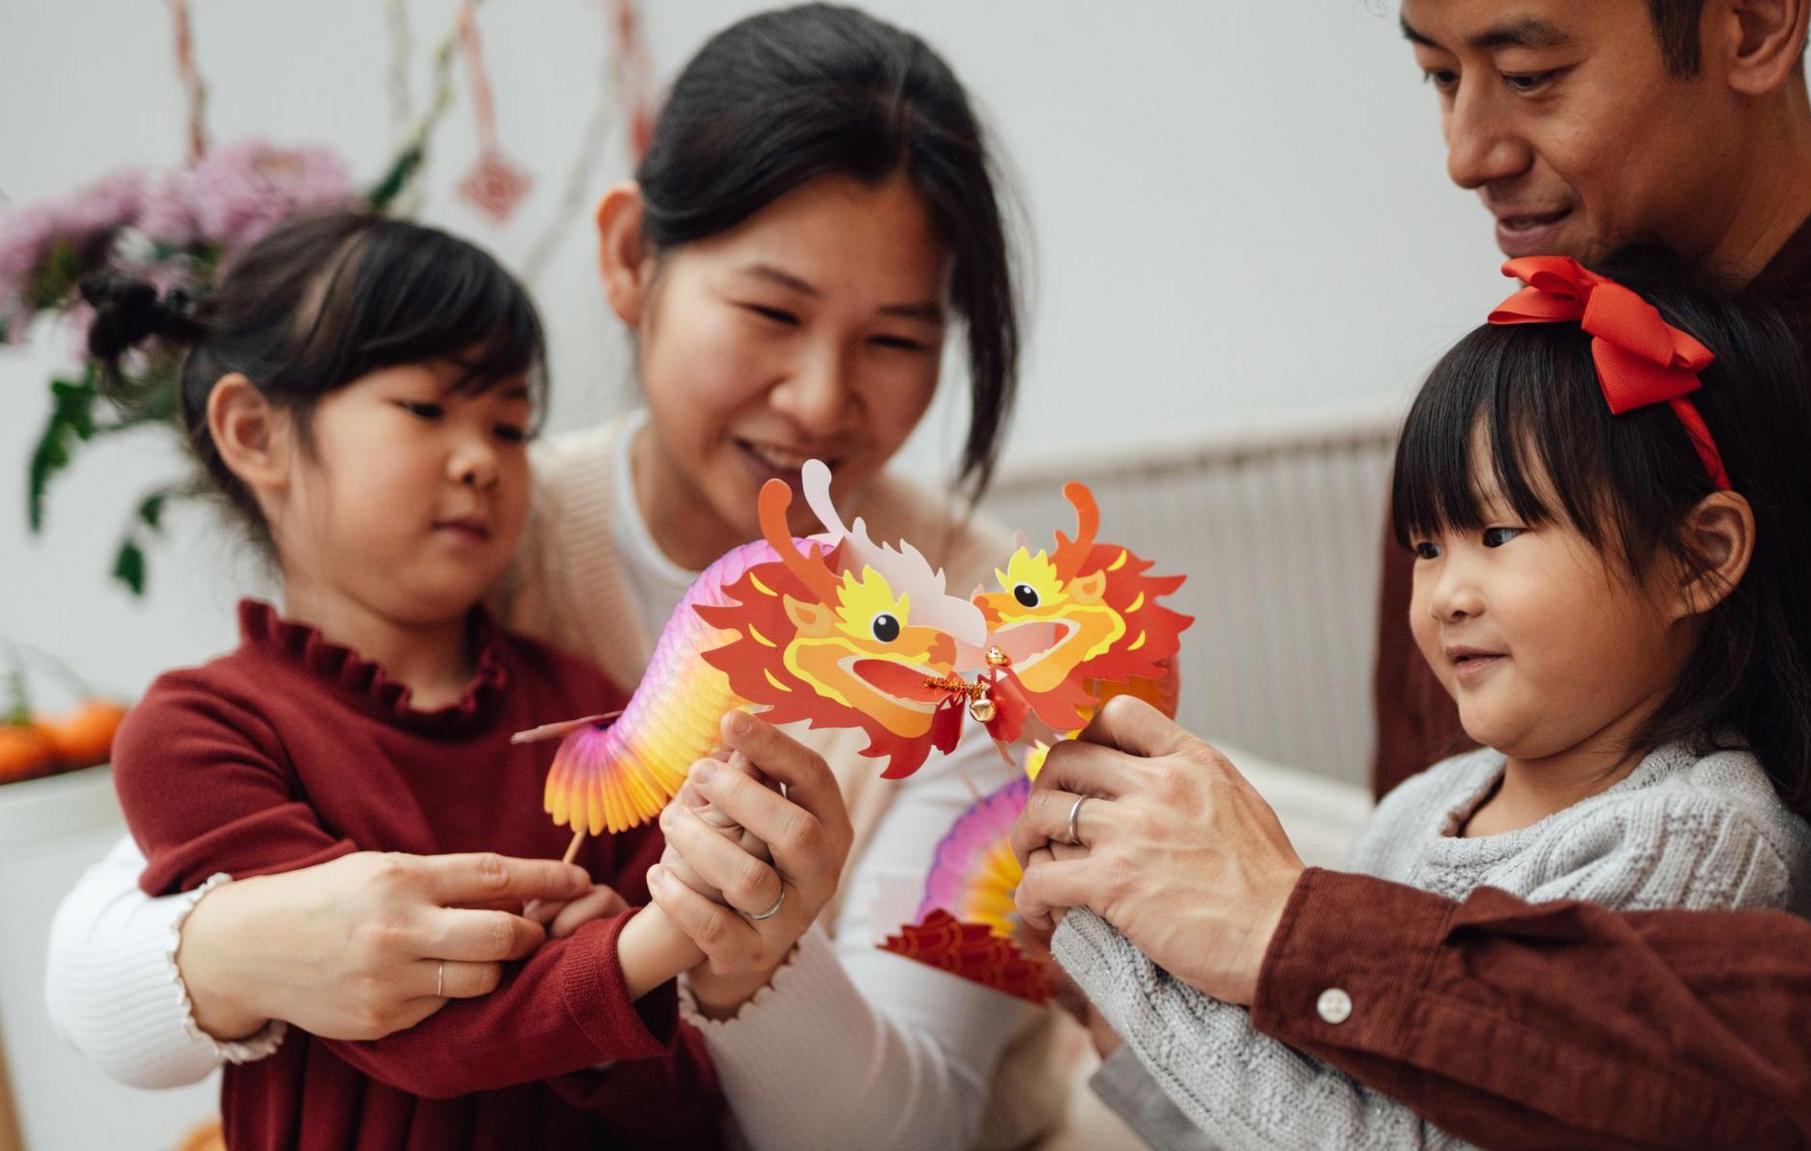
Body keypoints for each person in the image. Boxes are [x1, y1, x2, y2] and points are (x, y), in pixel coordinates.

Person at [1015, 1, 1811, 1146]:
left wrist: (1284, 927)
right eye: (1435, 77)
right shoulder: (1483, 441)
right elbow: (1360, 1065)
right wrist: (1146, 971)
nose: (1465, 154)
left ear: (1751, 26)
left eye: (1529, 71)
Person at [51, 6, 1064, 1149]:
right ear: (631, 258)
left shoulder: (988, 643)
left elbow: (912, 1129)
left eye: (893, 338)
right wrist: (246, 945)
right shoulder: (465, 534)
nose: (822, 397)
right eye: (771, 311)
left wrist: (734, 956)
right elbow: (95, 977)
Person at [1045, 252, 1811, 1148]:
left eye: (1498, 532)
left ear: (1699, 556)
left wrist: (1132, 976)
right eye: (1426, 546)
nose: (1444, 595)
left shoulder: (1705, 842)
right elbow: (1289, 1110)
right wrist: (1115, 1011)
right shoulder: (1417, 812)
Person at [87, 210, 726, 1149]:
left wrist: (624, 988)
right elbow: (404, 1021)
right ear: (255, 432)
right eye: (427, 410)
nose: (481, 461)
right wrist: (652, 942)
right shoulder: (198, 731)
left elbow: (684, 1103)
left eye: (510, 425)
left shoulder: (589, 710)